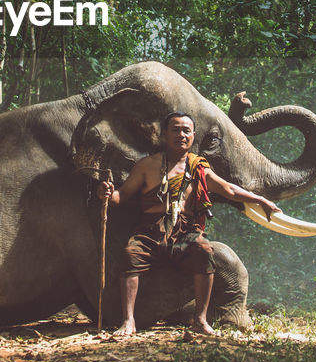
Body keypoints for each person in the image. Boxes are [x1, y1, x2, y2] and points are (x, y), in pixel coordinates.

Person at [98, 111, 281, 335]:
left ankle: (200, 320)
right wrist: (107, 194)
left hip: (185, 231)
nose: (181, 134)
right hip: (150, 230)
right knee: (131, 254)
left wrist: (260, 199)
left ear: (193, 136)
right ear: (164, 134)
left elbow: (229, 189)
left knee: (204, 252)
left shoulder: (198, 167)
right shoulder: (147, 165)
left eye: (186, 130)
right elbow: (121, 196)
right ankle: (129, 321)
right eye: (175, 129)